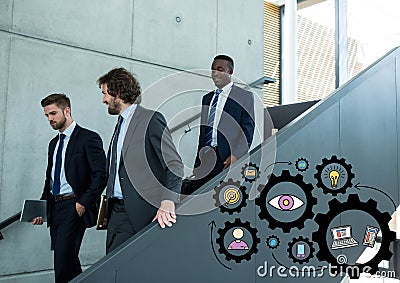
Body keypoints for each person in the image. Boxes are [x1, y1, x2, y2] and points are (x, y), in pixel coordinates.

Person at [97, 67, 183, 254]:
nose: (103, 100)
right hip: (115, 212)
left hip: (138, 212)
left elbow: (174, 164)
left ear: (117, 92)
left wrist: (168, 201)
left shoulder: (150, 119)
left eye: (105, 94)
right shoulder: (120, 124)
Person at [32, 93, 107, 283]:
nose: (50, 119)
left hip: (74, 206)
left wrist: (83, 203)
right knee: (69, 261)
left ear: (67, 110)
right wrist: (42, 207)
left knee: (62, 263)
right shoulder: (54, 143)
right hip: (55, 207)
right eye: (47, 115)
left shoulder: (88, 138)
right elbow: (50, 178)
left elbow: (101, 174)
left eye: (53, 113)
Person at [193, 55, 255, 189]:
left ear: (230, 72)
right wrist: (197, 162)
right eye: (213, 69)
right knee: (199, 199)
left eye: (220, 69)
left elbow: (248, 130)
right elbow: (202, 132)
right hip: (205, 159)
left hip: (226, 159)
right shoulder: (207, 98)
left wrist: (236, 155)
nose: (215, 73)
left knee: (222, 199)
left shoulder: (244, 96)